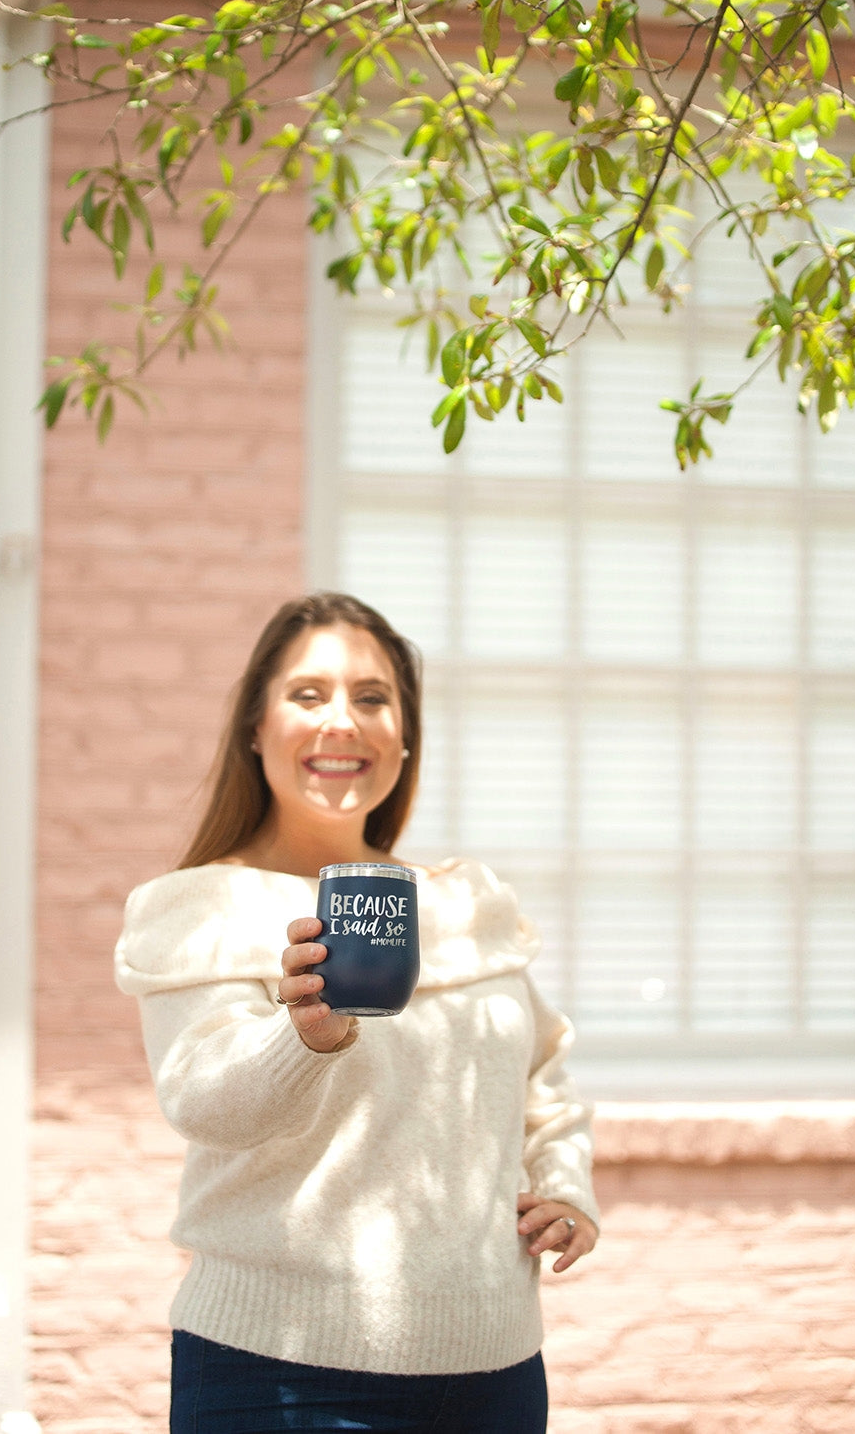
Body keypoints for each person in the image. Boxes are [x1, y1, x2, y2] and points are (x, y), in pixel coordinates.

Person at [115, 591, 599, 1433]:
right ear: (254, 730)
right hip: (279, 1376)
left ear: (404, 740)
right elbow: (202, 1103)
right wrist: (303, 1037)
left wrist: (565, 1184)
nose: (343, 721)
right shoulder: (200, 907)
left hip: (497, 1374)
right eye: (308, 695)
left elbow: (541, 1072)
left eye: (373, 698)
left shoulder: (467, 901)